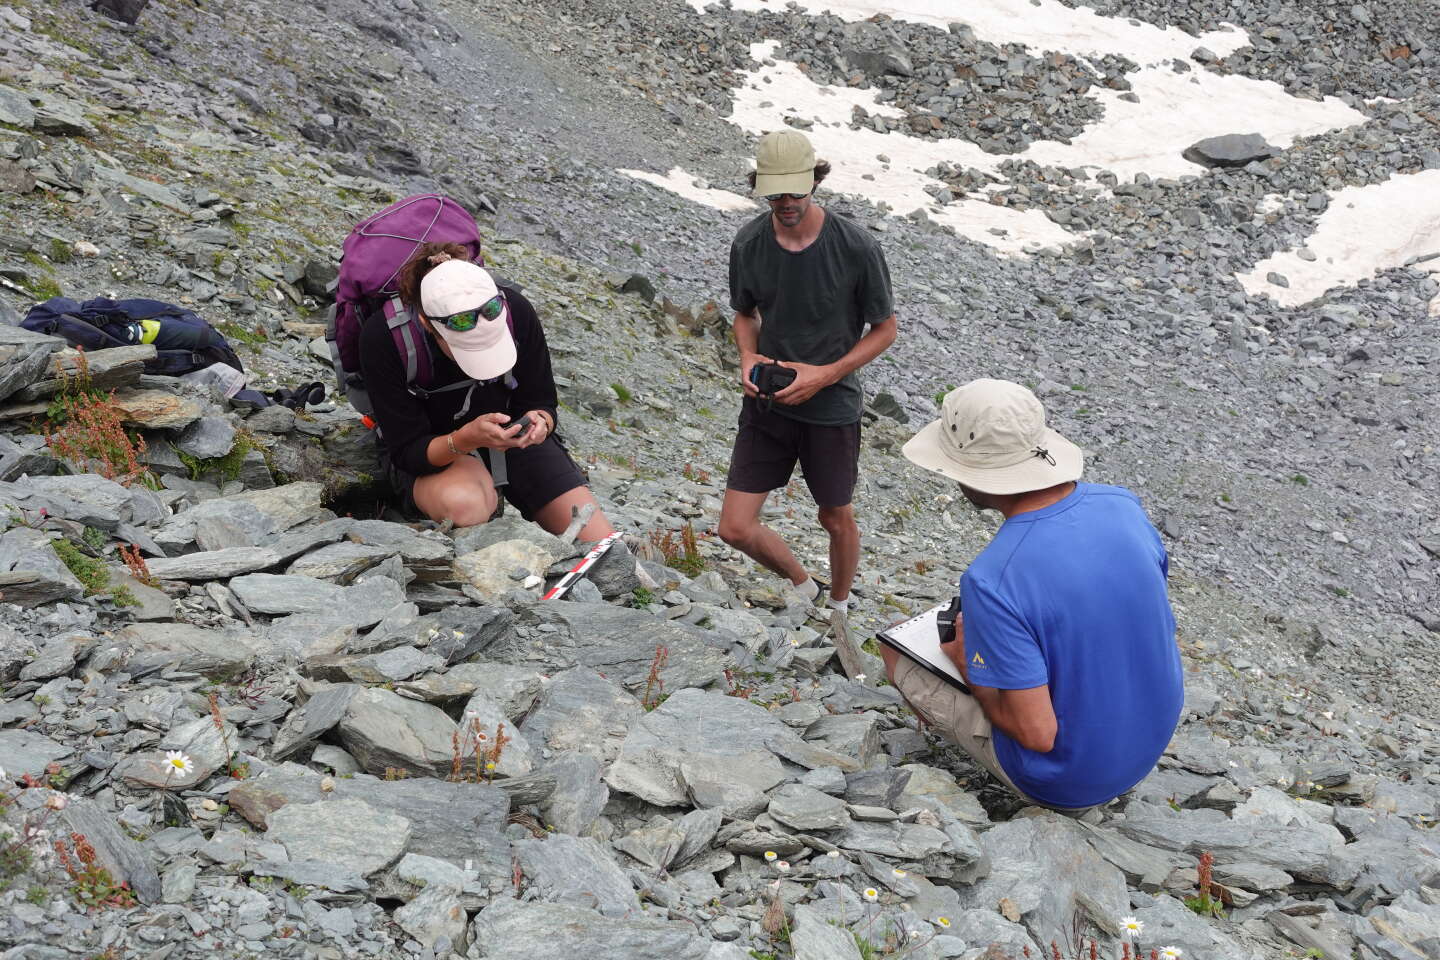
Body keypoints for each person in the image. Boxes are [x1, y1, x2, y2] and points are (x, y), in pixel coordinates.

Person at [887, 379, 1183, 812]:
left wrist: (969, 663)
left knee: (897, 647)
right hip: (1151, 737)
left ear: (971, 472)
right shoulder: (1122, 505)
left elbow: (1038, 735)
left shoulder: (993, 578)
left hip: (1072, 779)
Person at [717, 129, 897, 615]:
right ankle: (807, 587)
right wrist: (748, 358)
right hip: (768, 400)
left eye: (794, 190)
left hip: (832, 406)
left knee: (835, 517)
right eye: (774, 192)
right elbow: (745, 313)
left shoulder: (855, 247)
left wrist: (826, 374)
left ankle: (839, 606)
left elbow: (885, 328)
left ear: (815, 182)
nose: (784, 201)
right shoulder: (750, 243)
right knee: (734, 527)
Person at [359, 243, 613, 541]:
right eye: (467, 349)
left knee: (601, 542)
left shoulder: (516, 310)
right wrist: (467, 438)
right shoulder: (385, 339)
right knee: (468, 507)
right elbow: (407, 451)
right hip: (437, 450)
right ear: (428, 324)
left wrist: (541, 422)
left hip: (512, 439)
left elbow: (540, 400)